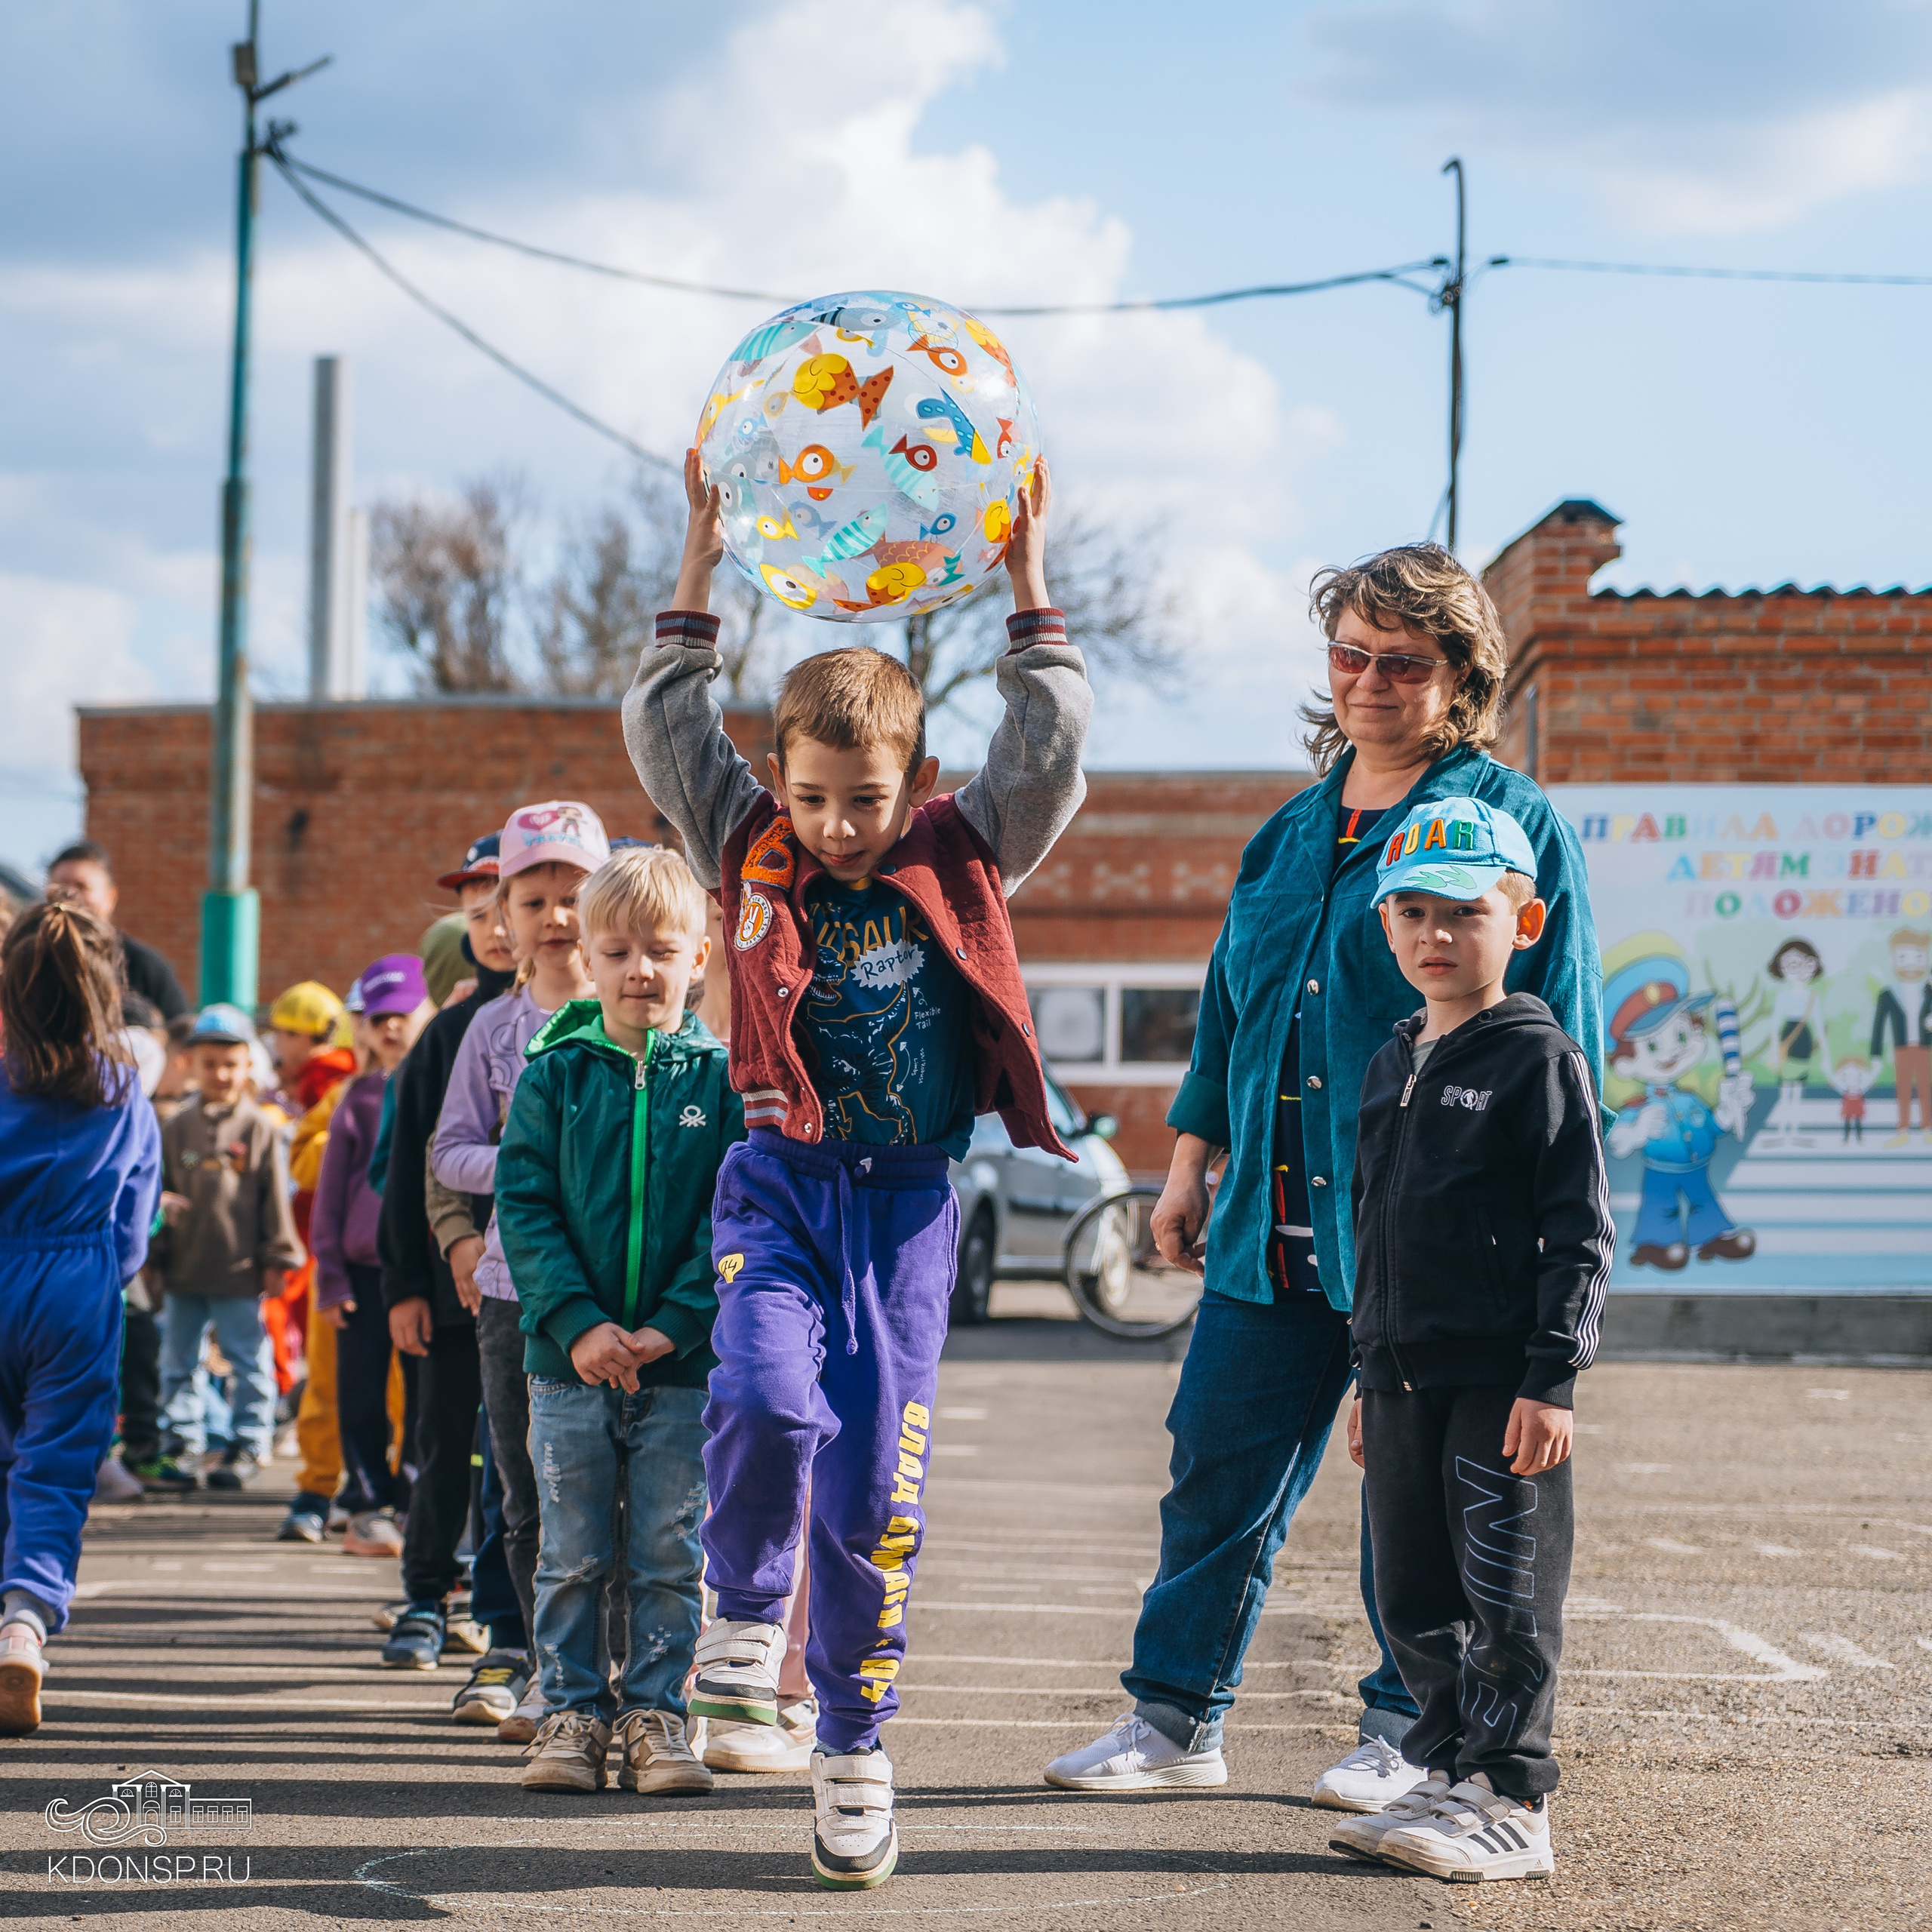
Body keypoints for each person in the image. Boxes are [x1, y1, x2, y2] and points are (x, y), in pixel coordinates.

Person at [1042, 543, 1601, 1814]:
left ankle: (1407, 1731)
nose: (1369, 681)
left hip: (1430, 1248)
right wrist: (1188, 1166)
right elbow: (1230, 1012)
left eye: (1403, 663)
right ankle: (1175, 1717)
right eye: (1351, 654)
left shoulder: (1508, 824)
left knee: (1416, 1504)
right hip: (1267, 1229)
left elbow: (1561, 1046)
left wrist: (1546, 1276)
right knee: (1214, 1470)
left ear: (1460, 679)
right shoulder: (1289, 832)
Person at [623, 448, 1084, 1890]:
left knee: (877, 1489)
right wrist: (700, 563)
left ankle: (853, 1748)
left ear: (915, 785)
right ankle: (745, 1616)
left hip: (907, 1210)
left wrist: (1027, 581)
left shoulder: (961, 852)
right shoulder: (747, 844)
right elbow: (669, 727)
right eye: (816, 796)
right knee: (767, 1401)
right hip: (779, 1183)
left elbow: (1047, 750)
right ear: (781, 778)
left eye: (865, 800)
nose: (837, 826)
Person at [1325, 797, 1610, 1881]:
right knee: (1412, 1597)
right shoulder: (1389, 1061)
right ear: (1385, 925)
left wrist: (1553, 1376)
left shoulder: (1539, 1059)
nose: (1435, 934)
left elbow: (1580, 1232)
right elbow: (1372, 1226)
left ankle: (1512, 1799)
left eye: (1463, 912)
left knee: (1505, 1596)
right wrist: (1366, 1371)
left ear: (1522, 923)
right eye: (1411, 912)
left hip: (1501, 1384)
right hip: (1399, 1379)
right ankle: (1446, 1769)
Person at [494, 845, 743, 1794]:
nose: (640, 969)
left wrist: (678, 1320)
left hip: (678, 1367)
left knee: (669, 1554)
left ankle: (656, 1717)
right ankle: (570, 1714)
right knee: (570, 1553)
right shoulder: (553, 1075)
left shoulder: (721, 1083)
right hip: (569, 1364)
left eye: (662, 950)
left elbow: (732, 1214)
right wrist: (579, 1323)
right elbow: (525, 1208)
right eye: (618, 952)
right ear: (587, 961)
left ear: (699, 958)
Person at [432, 802, 607, 1739]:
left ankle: (629, 1672)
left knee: (625, 1489)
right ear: (502, 914)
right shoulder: (490, 1031)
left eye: (572, 895)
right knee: (526, 1486)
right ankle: (553, 1671)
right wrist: (530, 1158)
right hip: (514, 1292)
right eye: (533, 900)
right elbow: (449, 1151)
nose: (556, 918)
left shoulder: (635, 1014)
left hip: (617, 1290)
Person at [0, 903, 162, 1734]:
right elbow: (135, 1228)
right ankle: (24, 1621)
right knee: (56, 1465)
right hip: (77, 1283)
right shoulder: (124, 1090)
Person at [375, 835, 521, 1701]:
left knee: (512, 1462)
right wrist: (406, 1279)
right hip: (447, 1288)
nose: (496, 927)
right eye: (478, 914)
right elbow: (412, 1164)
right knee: (440, 1444)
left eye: (506, 907)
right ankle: (425, 1594)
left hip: (537, 1288)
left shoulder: (582, 1017)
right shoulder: (448, 1033)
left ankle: (510, 1616)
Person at [152, 1004, 304, 1489]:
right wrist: (154, 1257)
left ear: (248, 1066)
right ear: (191, 1064)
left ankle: (249, 1440)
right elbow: (159, 1190)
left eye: (231, 1064)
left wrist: (277, 1257)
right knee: (179, 1359)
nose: (220, 1074)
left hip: (239, 1270)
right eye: (210, 1063)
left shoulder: (260, 1128)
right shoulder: (176, 1128)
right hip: (184, 1268)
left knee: (247, 1357)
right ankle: (183, 1441)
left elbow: (275, 1198)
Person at [312, 957, 434, 1556]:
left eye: (401, 1015)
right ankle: (365, 1500)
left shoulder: (437, 1087)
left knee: (421, 1392)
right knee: (359, 1393)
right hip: (361, 1274)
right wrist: (331, 1278)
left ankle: (412, 1497)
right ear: (362, 1026)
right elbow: (330, 1197)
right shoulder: (355, 1098)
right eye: (378, 1018)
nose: (390, 1028)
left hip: (418, 1269)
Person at [44, 840, 189, 1022]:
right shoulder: (32, 959)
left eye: (82, 886)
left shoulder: (143, 966)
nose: (70, 894)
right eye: (61, 886)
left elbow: (180, 1031)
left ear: (110, 897)